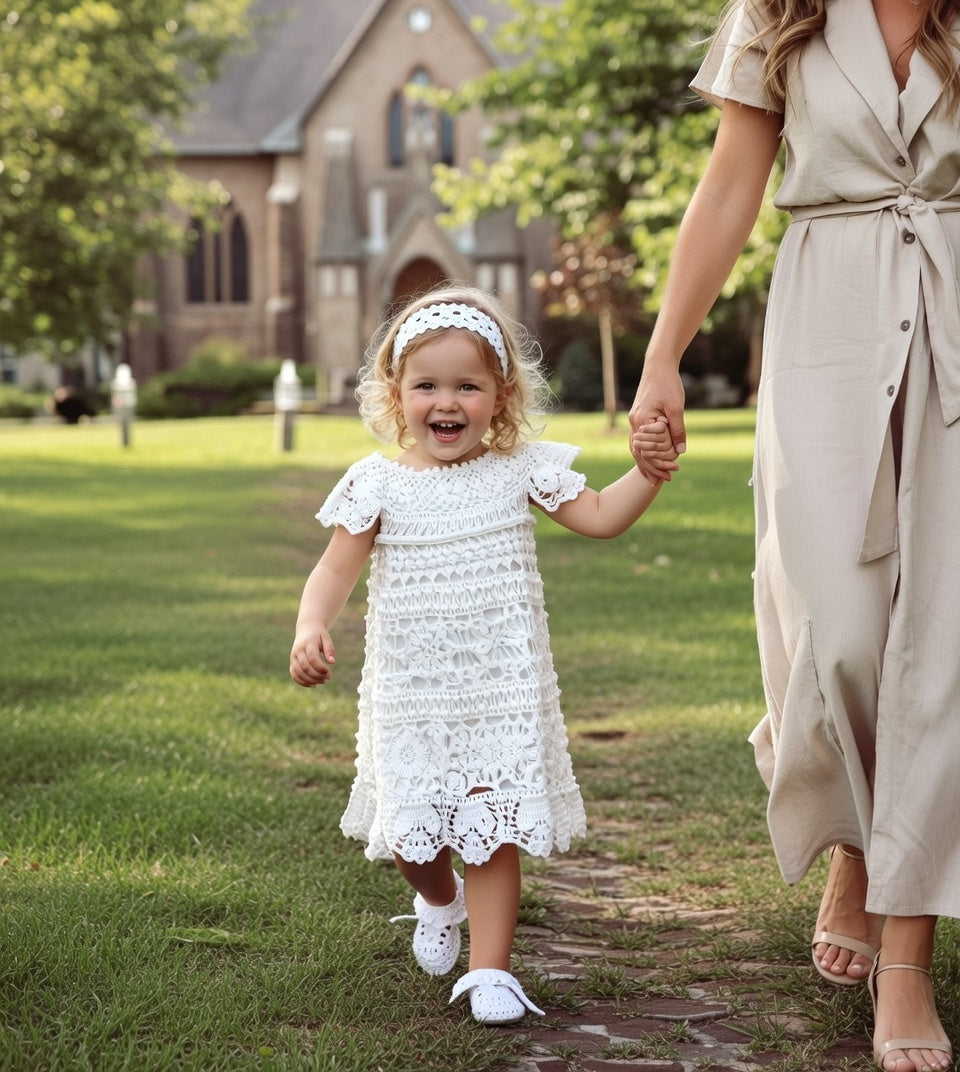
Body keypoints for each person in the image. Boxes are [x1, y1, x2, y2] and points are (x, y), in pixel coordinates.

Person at [629, 2, 960, 1070]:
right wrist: (664, 352)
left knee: (947, 646)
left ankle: (908, 956)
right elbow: (732, 179)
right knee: (837, 627)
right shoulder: (777, 11)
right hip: (828, 310)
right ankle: (858, 842)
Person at [290, 284, 674, 1025]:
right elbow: (334, 568)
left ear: (500, 396)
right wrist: (311, 627)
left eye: (467, 386)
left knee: (491, 827)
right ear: (395, 395)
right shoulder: (377, 482)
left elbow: (598, 517)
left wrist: (649, 474)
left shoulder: (519, 470)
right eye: (426, 385)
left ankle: (490, 972)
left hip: (498, 685)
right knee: (412, 833)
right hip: (414, 689)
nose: (447, 401)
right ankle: (439, 897)